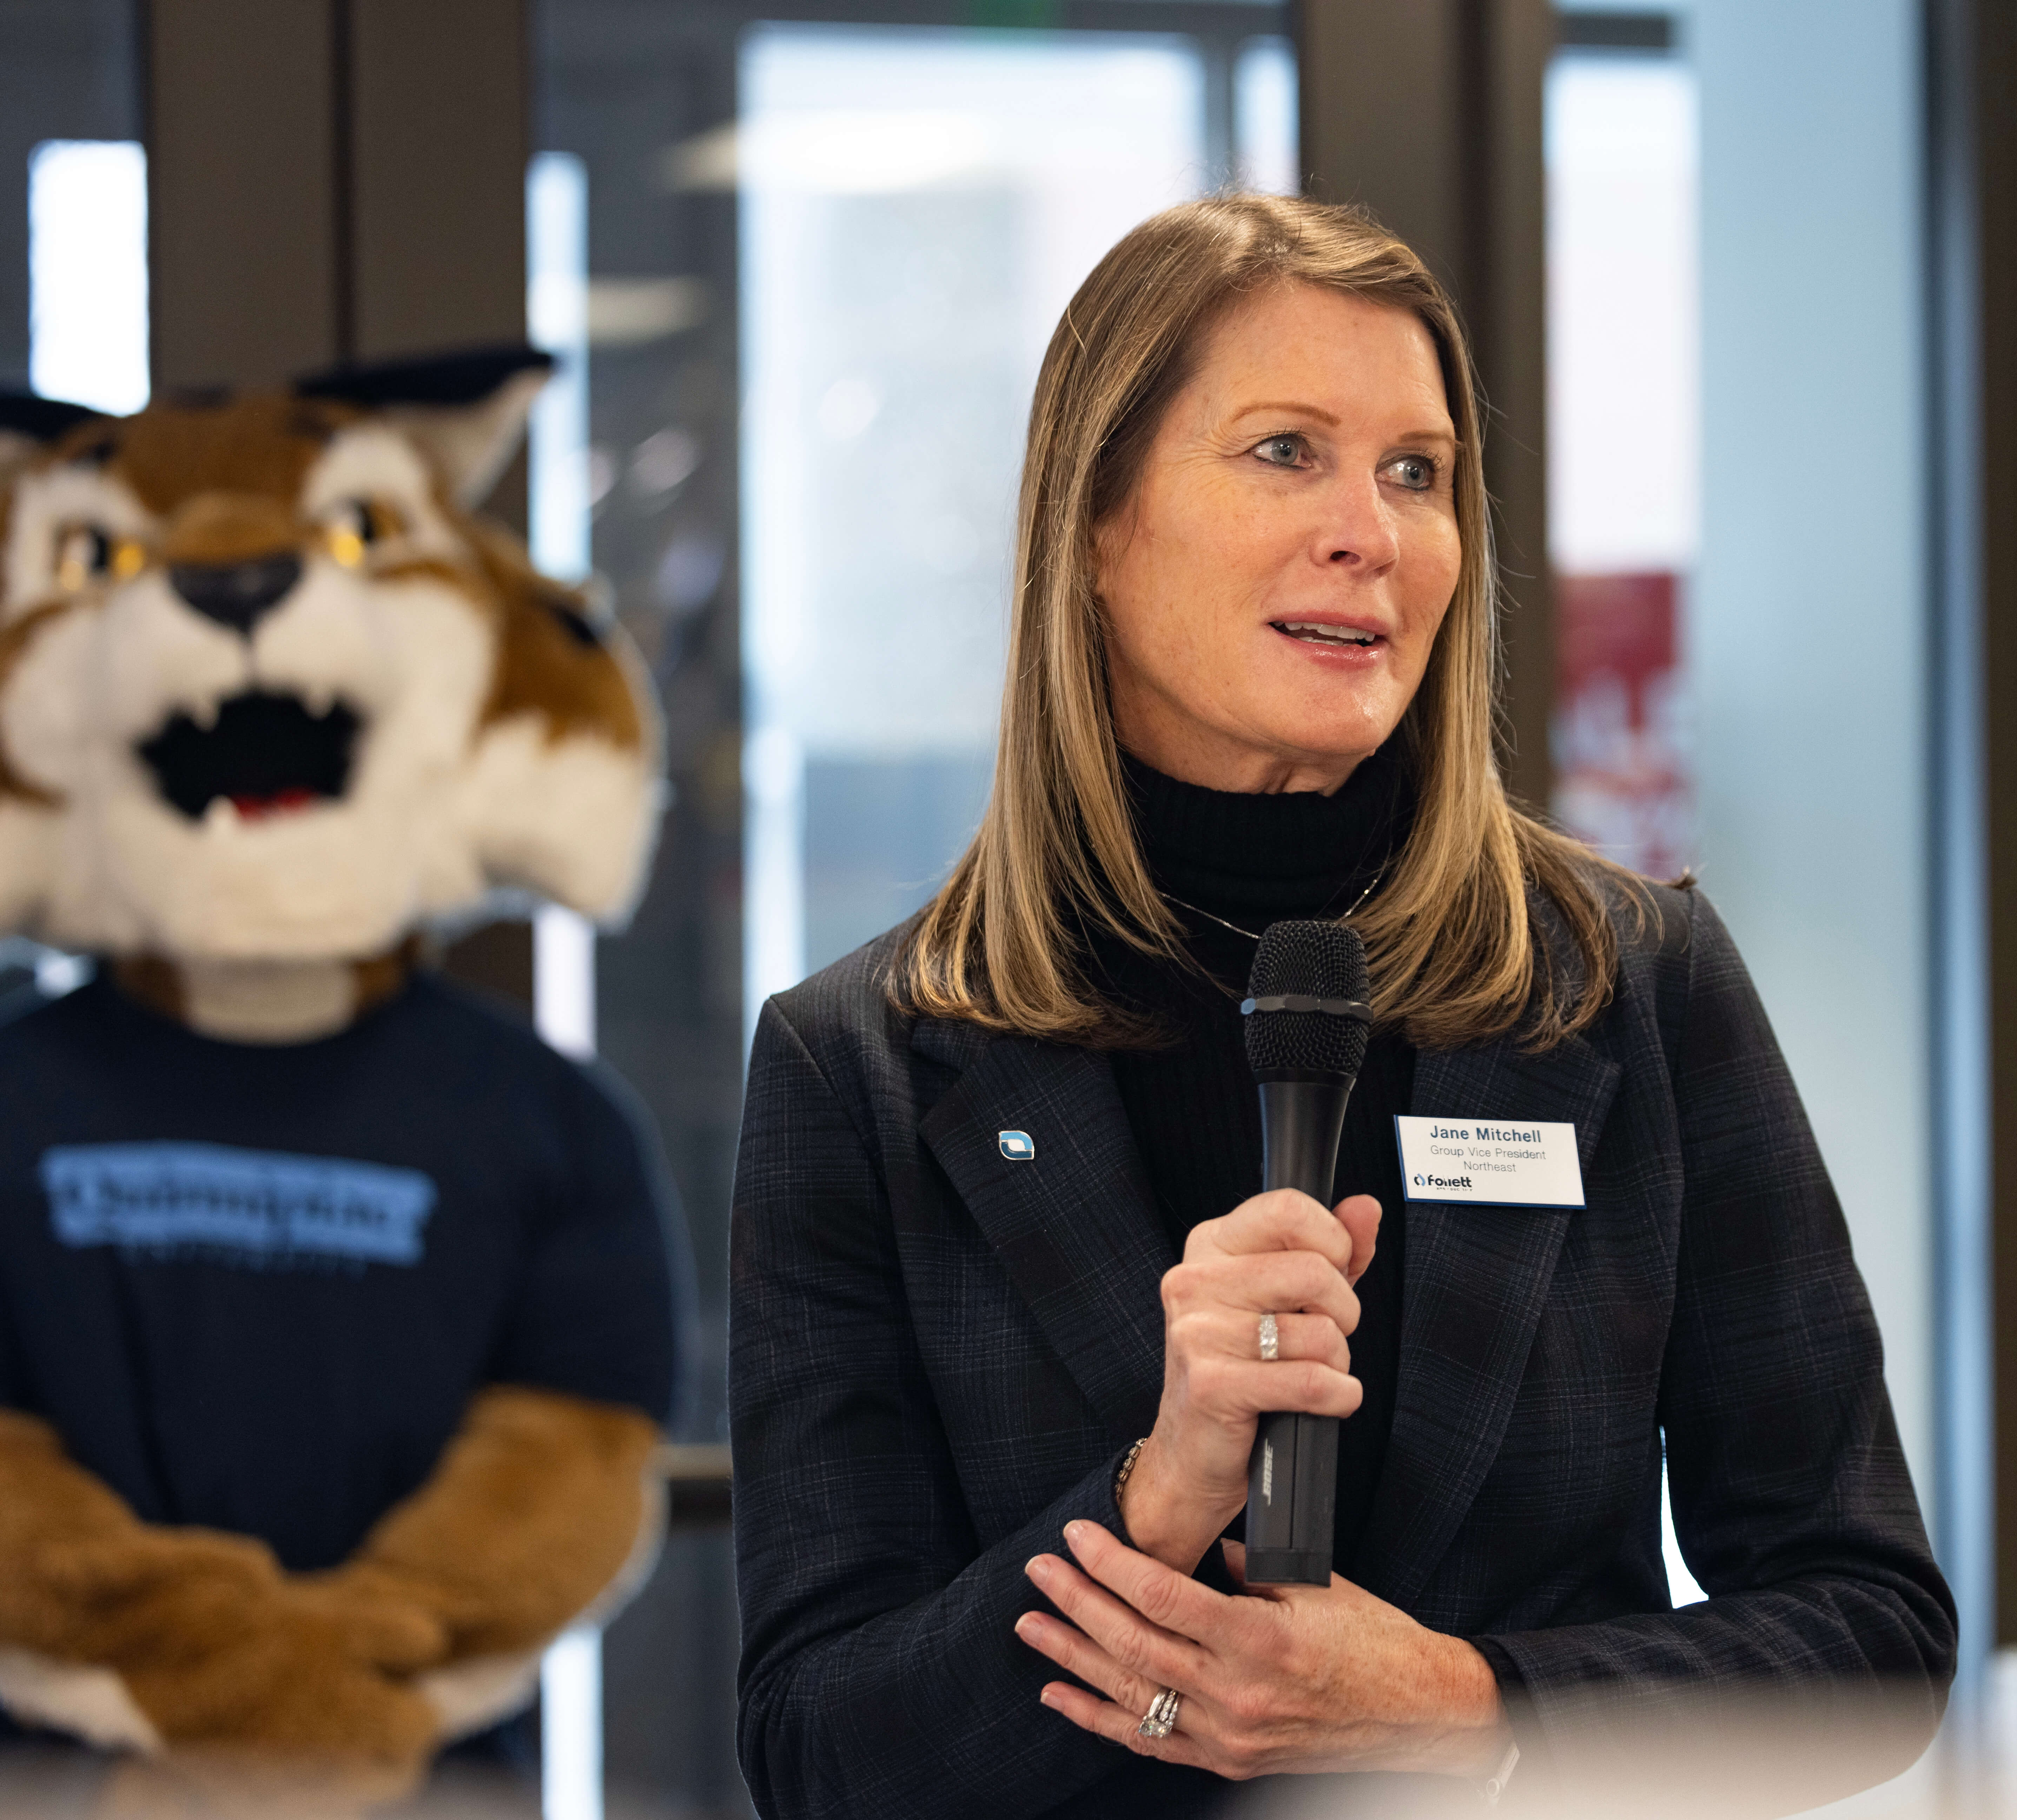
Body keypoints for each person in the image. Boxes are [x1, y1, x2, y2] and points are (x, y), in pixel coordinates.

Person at [729, 194, 1955, 1819]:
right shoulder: (863, 1065)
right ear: (1096, 527)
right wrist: (1155, 1494)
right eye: (1286, 451)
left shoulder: (1629, 983)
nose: (1369, 533)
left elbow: (1873, 1633)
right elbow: (819, 1753)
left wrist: (1471, 1705)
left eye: (1416, 471)